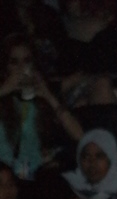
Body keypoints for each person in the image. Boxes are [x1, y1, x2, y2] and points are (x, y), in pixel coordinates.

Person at [0, 35, 83, 183]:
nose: (21, 68)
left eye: (27, 61)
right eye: (14, 62)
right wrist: (5, 89)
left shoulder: (43, 98)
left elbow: (80, 137)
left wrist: (48, 96)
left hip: (35, 174)